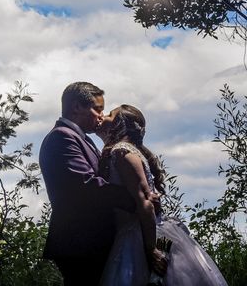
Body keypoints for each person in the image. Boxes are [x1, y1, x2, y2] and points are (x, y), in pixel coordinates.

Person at [97, 104, 228, 286]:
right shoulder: (127, 151)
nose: (103, 116)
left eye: (110, 114)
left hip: (139, 236)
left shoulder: (121, 151)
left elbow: (146, 203)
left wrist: (151, 250)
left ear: (120, 124)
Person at [39, 82, 139, 285]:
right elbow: (87, 185)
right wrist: (136, 198)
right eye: (97, 109)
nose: (101, 116)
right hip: (81, 242)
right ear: (76, 107)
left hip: (90, 241)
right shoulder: (62, 138)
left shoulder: (80, 138)